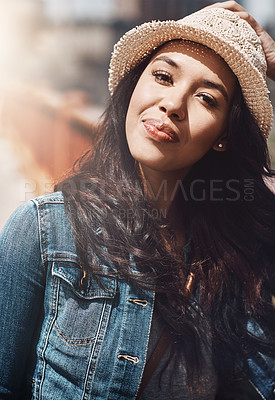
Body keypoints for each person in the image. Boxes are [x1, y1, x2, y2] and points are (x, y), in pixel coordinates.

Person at [0, 1, 274, 399]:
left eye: (207, 99)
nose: (173, 105)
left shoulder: (232, 258)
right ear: (135, 86)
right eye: (163, 76)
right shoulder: (43, 233)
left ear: (224, 136)